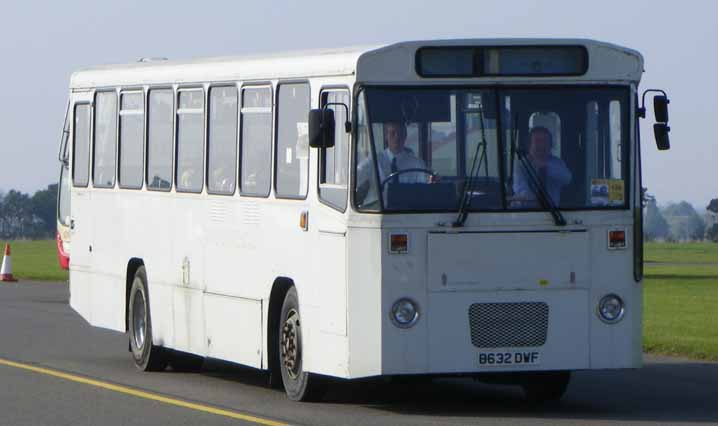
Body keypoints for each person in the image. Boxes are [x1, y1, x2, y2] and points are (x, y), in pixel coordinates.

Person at [512, 126, 571, 207]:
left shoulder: (558, 163)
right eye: (537, 141)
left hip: (554, 211)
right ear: (530, 144)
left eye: (545, 141)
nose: (541, 145)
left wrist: (545, 166)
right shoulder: (522, 165)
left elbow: (567, 179)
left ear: (550, 145)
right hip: (526, 213)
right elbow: (520, 190)